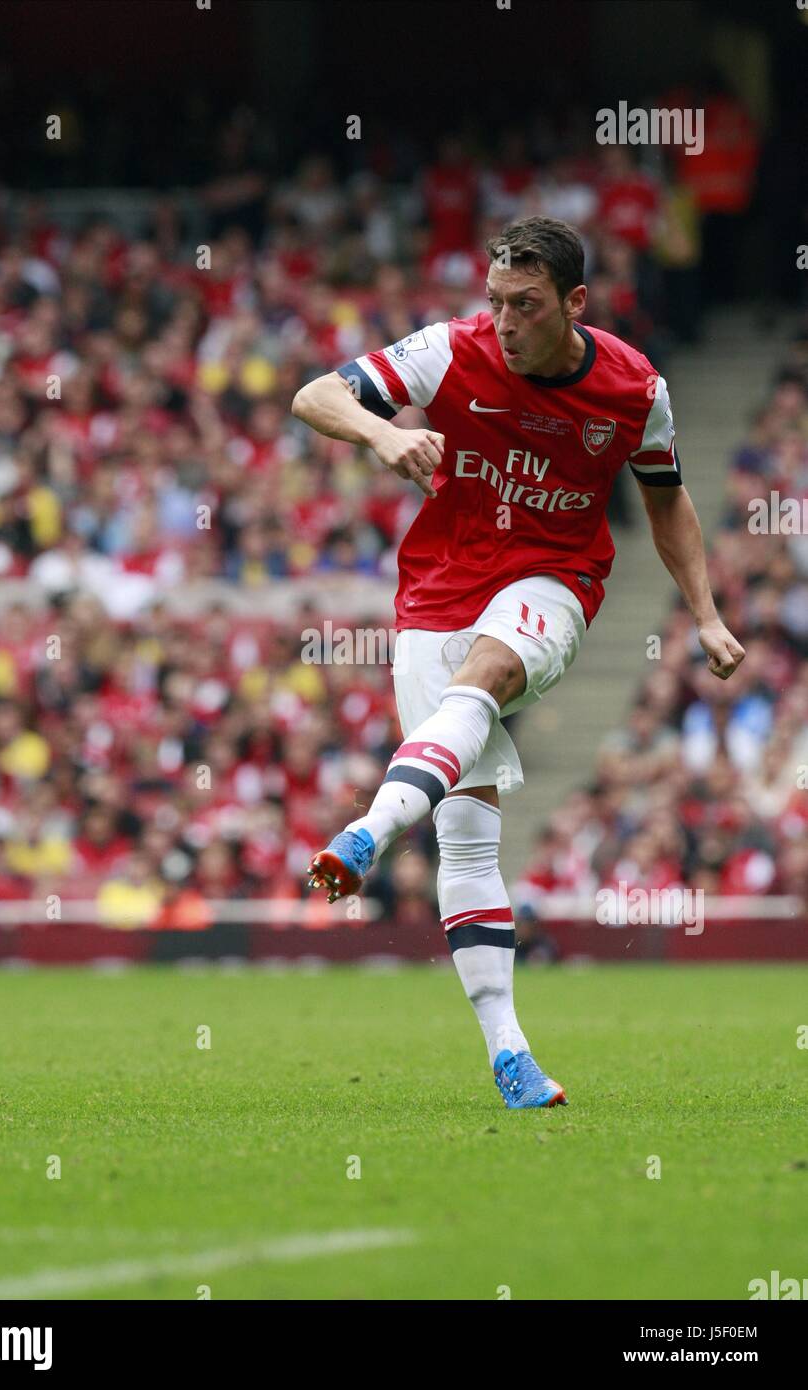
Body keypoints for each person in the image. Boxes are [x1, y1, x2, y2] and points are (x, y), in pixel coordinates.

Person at [290, 216, 745, 1110]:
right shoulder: (452, 351)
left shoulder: (631, 387)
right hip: (434, 591)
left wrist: (704, 614)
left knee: (490, 676)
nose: (503, 321)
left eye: (525, 306)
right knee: (465, 838)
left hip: (554, 578)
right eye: (495, 301)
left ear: (573, 303)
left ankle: (368, 833)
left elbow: (666, 499)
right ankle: (509, 1054)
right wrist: (382, 437)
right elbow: (314, 396)